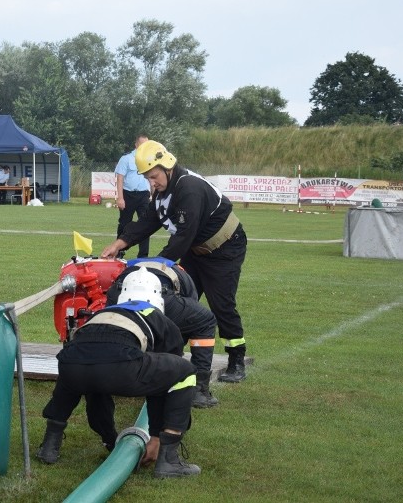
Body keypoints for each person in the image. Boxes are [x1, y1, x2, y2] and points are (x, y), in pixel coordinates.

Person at [100, 140, 249, 383]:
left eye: (154, 176)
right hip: (195, 249)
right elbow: (148, 221)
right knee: (181, 303)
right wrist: (120, 243)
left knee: (221, 303)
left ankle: (236, 360)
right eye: (147, 178)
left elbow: (183, 235)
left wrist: (158, 266)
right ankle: (171, 356)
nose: (152, 182)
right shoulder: (162, 192)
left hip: (224, 249)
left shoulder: (189, 188)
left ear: (167, 166)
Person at [37, 267, 201, 478]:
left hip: (71, 362)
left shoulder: (102, 313)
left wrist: (109, 437)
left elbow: (96, 384)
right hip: (120, 365)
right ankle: (168, 460)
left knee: (78, 376)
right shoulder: (160, 320)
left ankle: (50, 446)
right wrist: (156, 436)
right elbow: (163, 385)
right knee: (184, 372)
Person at [107, 257, 219, 408]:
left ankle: (114, 379)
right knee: (205, 321)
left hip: (121, 292)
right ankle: (199, 389)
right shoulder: (184, 281)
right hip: (161, 294)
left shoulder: (127, 269)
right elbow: (189, 320)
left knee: (117, 328)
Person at [115, 134, 151, 257]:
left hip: (143, 195)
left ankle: (143, 255)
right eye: (142, 144)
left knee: (146, 224)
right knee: (124, 224)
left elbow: (152, 177)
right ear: (136, 145)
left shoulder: (150, 159)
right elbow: (120, 178)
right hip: (128, 194)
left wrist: (154, 195)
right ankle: (119, 251)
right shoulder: (126, 159)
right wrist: (120, 198)